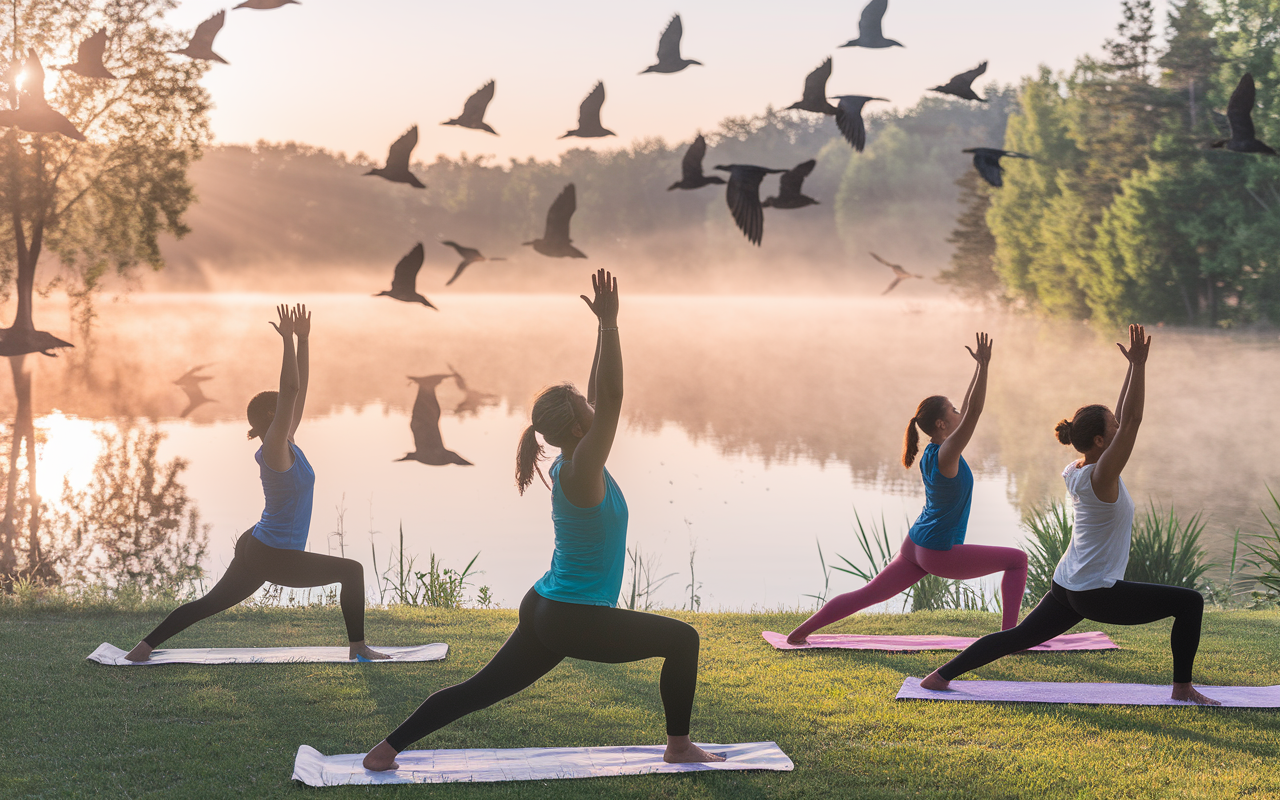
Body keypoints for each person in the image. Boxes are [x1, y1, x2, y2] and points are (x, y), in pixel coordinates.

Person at [362, 270, 723, 770]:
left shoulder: (571, 460)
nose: (593, 407)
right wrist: (615, 325)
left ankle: (384, 751)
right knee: (683, 640)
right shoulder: (581, 470)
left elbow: (601, 396)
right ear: (578, 427)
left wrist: (601, 327)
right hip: (574, 616)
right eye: (583, 406)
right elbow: (614, 399)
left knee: (479, 690)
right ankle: (679, 746)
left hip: (548, 604)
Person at [919, 325, 1218, 705]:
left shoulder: (1076, 469)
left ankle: (940, 676)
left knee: (1019, 637)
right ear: (1099, 441)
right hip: (1094, 592)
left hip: (1067, 583)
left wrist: (1132, 368)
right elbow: (1135, 422)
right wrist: (1140, 367)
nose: (1120, 426)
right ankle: (1182, 688)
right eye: (1113, 427)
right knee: (1189, 602)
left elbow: (1125, 421)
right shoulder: (1102, 476)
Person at [124, 304, 386, 662]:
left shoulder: (286, 441)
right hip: (274, 553)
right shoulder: (275, 447)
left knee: (209, 603)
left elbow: (300, 389)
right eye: (281, 409)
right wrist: (287, 342)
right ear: (270, 417)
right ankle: (359, 648)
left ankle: (142, 649)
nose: (291, 409)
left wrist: (305, 341)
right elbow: (291, 388)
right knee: (352, 572)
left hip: (260, 543)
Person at [787, 332, 1027, 644]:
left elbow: (969, 409)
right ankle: (1009, 640)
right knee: (1017, 560)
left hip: (916, 544)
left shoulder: (933, 452)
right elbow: (976, 412)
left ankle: (799, 634)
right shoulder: (947, 454)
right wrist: (985, 368)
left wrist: (980, 366)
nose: (959, 413)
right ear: (941, 424)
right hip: (937, 550)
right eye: (952, 411)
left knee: (867, 594)